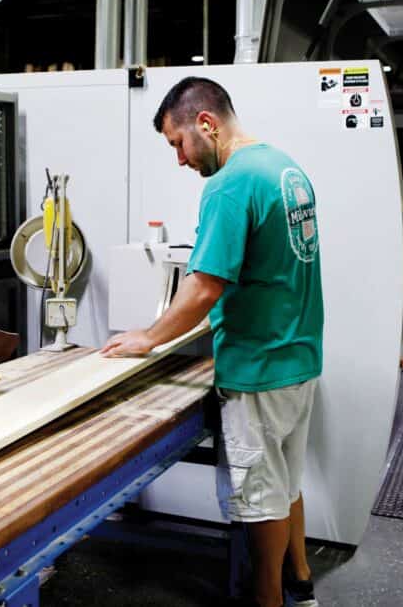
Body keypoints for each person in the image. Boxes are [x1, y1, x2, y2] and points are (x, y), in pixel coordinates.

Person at [101, 77, 324, 607]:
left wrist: (149, 339)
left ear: (206, 124)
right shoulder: (284, 167)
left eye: (177, 143)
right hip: (299, 356)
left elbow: (203, 285)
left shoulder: (229, 184)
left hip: (258, 368)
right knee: (286, 482)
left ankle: (268, 599)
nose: (179, 159)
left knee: (260, 497)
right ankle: (301, 581)